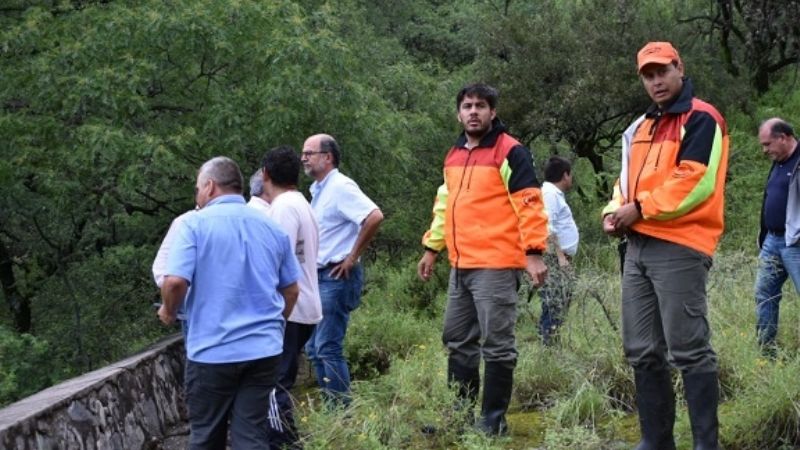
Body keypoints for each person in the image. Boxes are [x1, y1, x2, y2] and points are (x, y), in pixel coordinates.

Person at [602, 42, 729, 449]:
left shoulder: (702, 117)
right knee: (641, 349)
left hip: (680, 244)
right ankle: (656, 441)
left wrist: (639, 209)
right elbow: (625, 180)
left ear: (679, 68)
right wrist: (614, 209)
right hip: (637, 247)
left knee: (689, 350)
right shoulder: (640, 126)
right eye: (648, 75)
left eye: (662, 71)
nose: (656, 81)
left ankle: (705, 444)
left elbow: (695, 179)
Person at [417, 83, 549, 435]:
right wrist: (433, 248)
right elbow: (445, 205)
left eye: (480, 106)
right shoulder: (454, 154)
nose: (473, 112)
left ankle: (493, 422)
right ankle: (459, 419)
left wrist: (534, 253)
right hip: (461, 265)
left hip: (496, 263)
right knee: (457, 339)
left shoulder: (510, 151)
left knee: (497, 343)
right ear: (458, 113)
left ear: (493, 111)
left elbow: (530, 204)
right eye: (466, 106)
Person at [159, 156, 301, 450]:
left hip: (212, 353)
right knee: (251, 437)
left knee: (206, 437)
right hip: (263, 352)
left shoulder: (193, 225)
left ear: (209, 187)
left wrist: (169, 310)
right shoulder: (272, 228)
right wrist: (275, 327)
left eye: (198, 188)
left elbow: (174, 282)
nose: (197, 195)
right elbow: (292, 291)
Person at [301, 134, 384, 406]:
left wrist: (352, 257)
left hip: (335, 276)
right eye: (304, 153)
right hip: (318, 277)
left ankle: (341, 412)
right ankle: (331, 407)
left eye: (310, 153)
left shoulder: (340, 187)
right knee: (314, 348)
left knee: (327, 346)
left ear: (328, 157)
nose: (304, 158)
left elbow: (374, 216)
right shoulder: (319, 190)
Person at [258, 146, 323, 449]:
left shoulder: (283, 207)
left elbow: (274, 259)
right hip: (304, 304)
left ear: (265, 175)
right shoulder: (302, 202)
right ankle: (288, 441)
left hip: (290, 307)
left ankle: (283, 444)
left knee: (272, 386)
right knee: (281, 383)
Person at [754, 118, 800, 353]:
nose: (765, 150)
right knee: (765, 294)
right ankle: (766, 352)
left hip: (795, 244)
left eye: (767, 144)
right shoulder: (779, 162)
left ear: (783, 137)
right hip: (772, 241)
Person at [539, 156, 579, 345]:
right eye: (570, 175)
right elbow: (548, 227)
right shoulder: (550, 194)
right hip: (553, 258)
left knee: (560, 299)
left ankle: (552, 341)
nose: (571, 179)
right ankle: (549, 344)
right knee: (553, 301)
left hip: (558, 258)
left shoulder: (553, 193)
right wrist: (561, 257)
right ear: (565, 175)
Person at [152, 208, 196, 339]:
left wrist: (169, 308)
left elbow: (172, 281)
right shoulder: (252, 217)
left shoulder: (186, 222)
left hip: (196, 316)